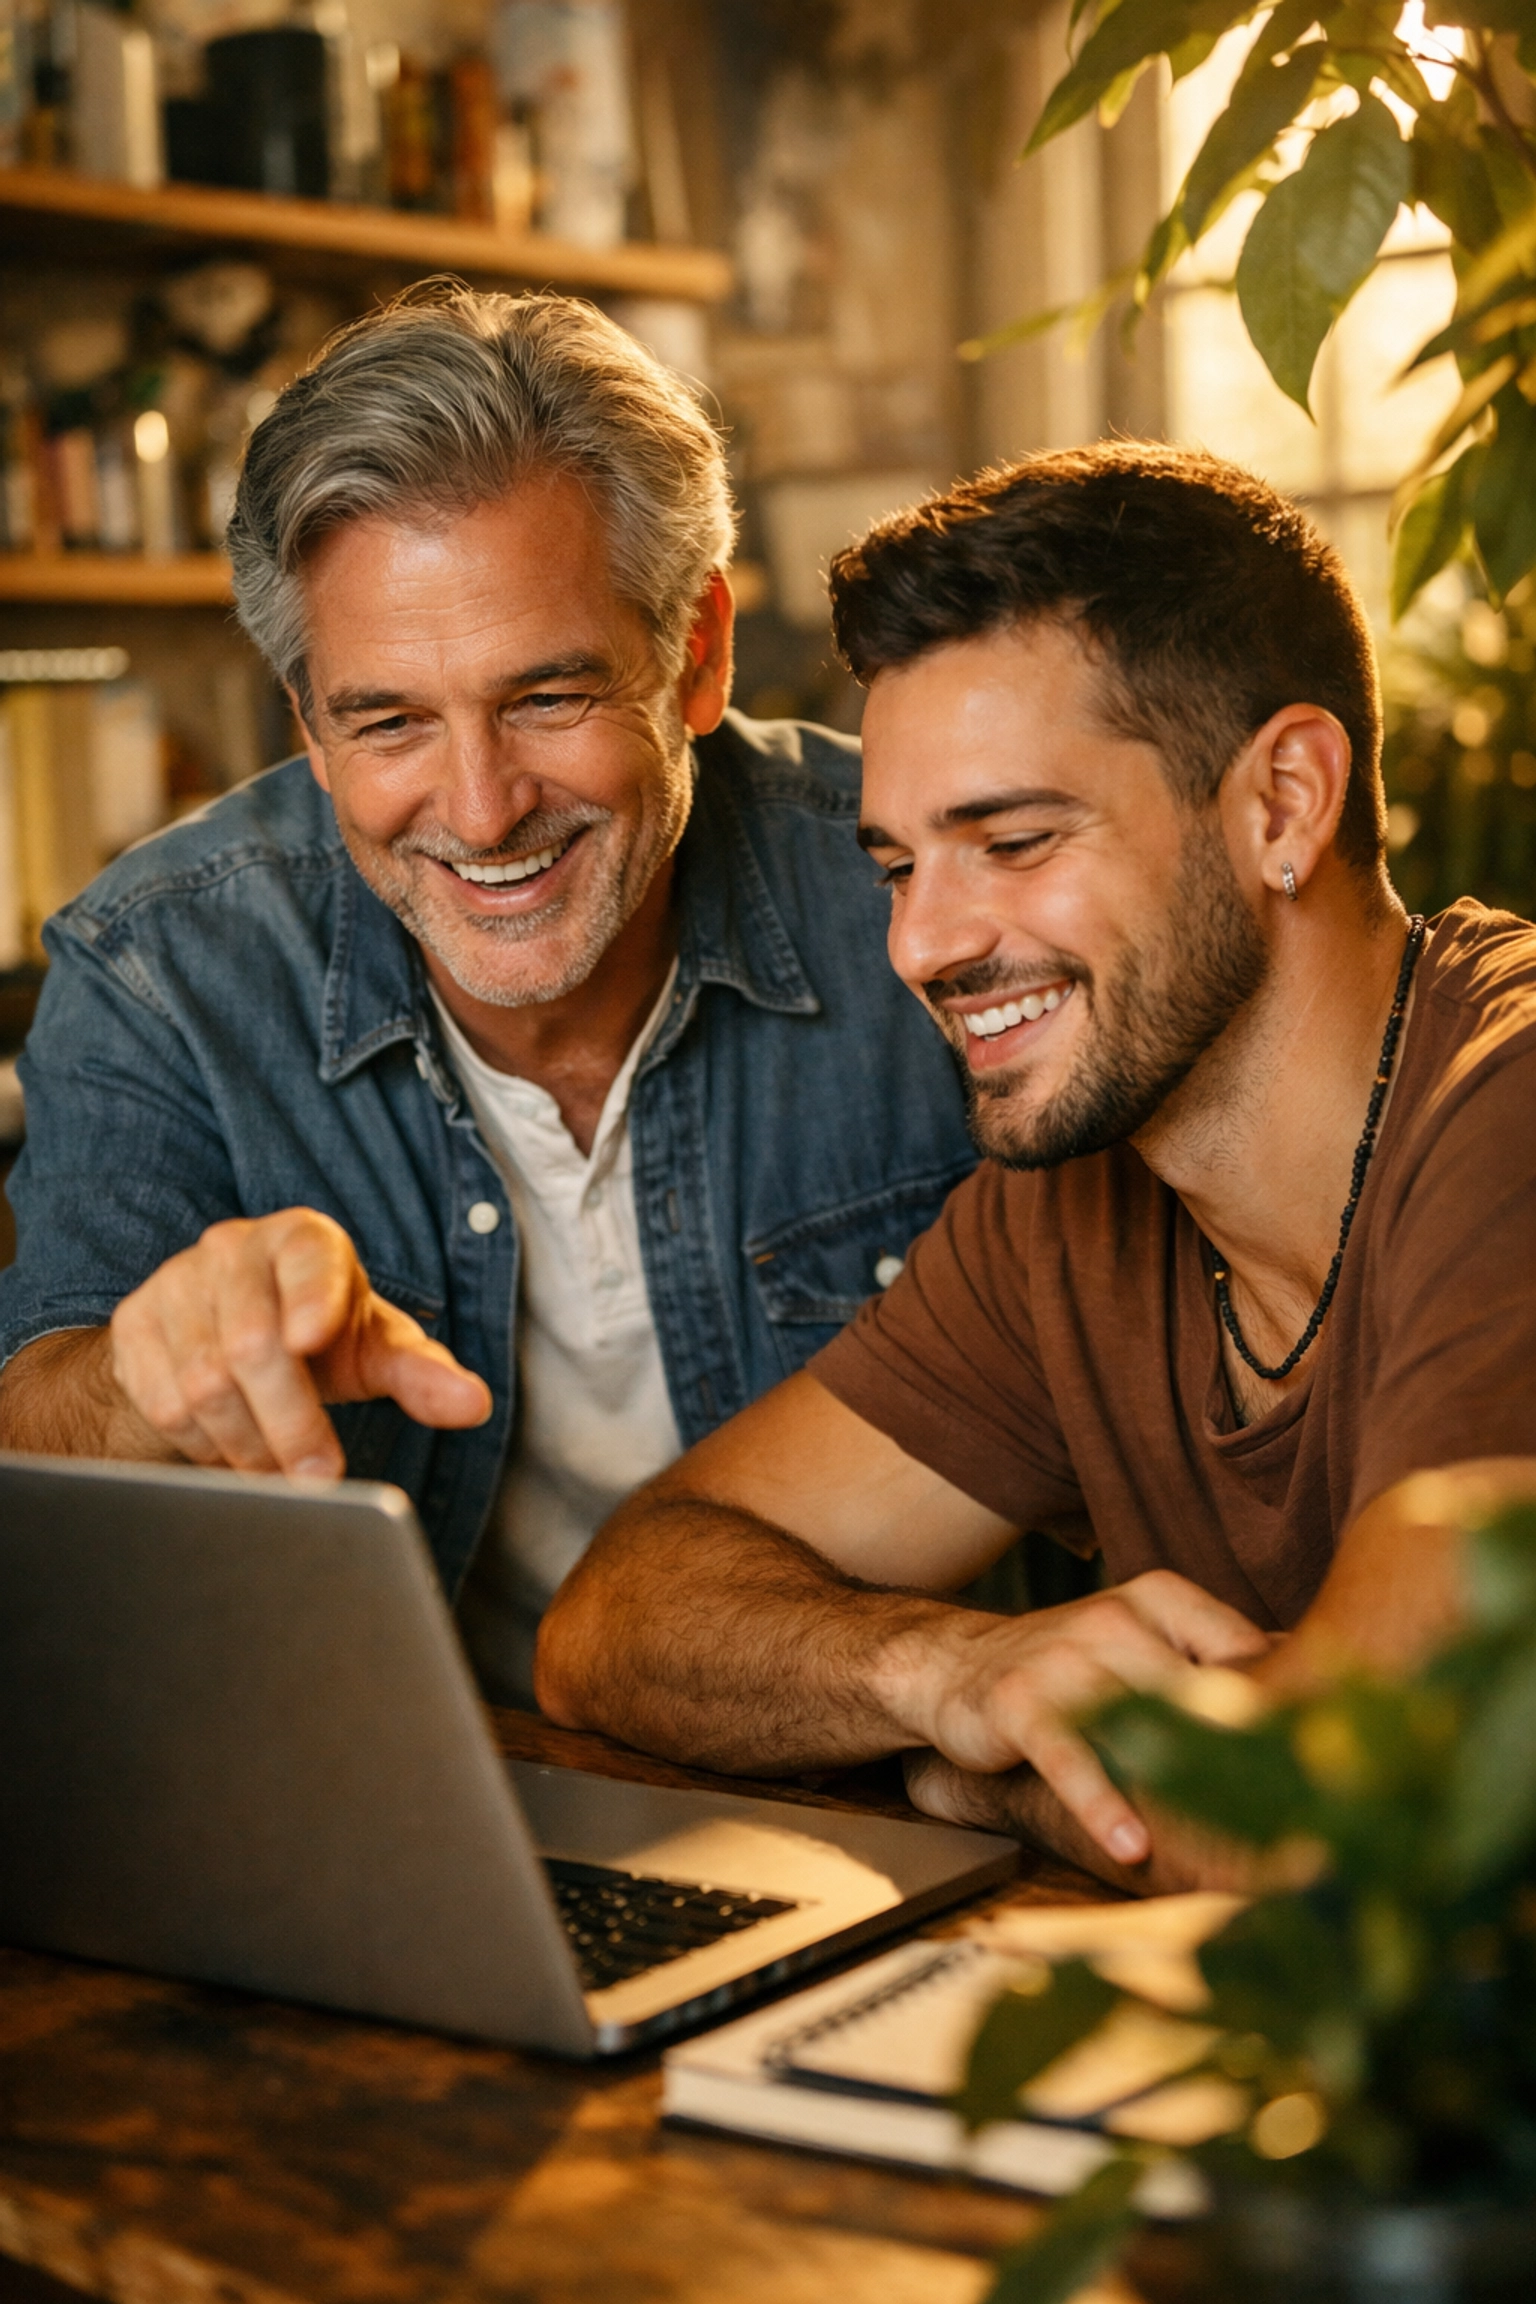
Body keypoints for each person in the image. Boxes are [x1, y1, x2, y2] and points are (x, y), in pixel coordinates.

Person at [535, 443, 1536, 1887]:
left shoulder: (1503, 1112)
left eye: (1010, 840)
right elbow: (617, 1621)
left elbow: (1353, 1828)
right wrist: (941, 1672)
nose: (924, 946)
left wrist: (980, 1781)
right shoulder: (1070, 1205)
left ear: (1285, 802)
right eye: (898, 868)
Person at [0, 287, 975, 1705]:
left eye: (549, 698)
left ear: (694, 654)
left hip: (874, 1788)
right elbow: (31, 1431)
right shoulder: (162, 968)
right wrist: (149, 1376)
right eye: (387, 720)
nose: (480, 807)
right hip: (395, 1824)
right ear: (310, 728)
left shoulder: (919, 899)